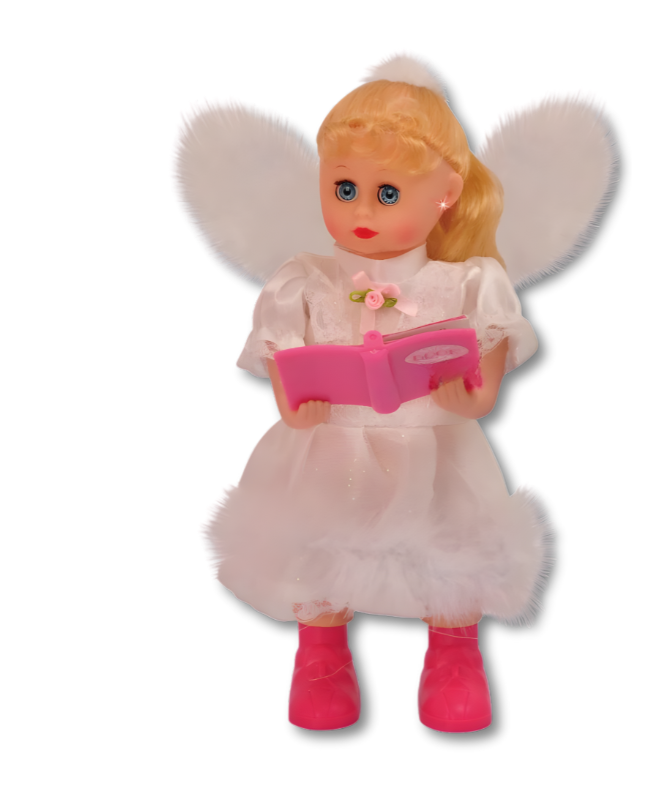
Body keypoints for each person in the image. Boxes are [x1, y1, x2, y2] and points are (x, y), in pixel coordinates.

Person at [207, 70, 550, 732]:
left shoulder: (470, 285)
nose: (361, 212)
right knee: (322, 541)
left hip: (434, 445)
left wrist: (465, 395)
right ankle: (322, 654)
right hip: (333, 444)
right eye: (345, 189)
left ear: (446, 193)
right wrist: (297, 404)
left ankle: (453, 653)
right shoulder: (304, 281)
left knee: (450, 543)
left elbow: (483, 391)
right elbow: (285, 371)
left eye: (386, 193)